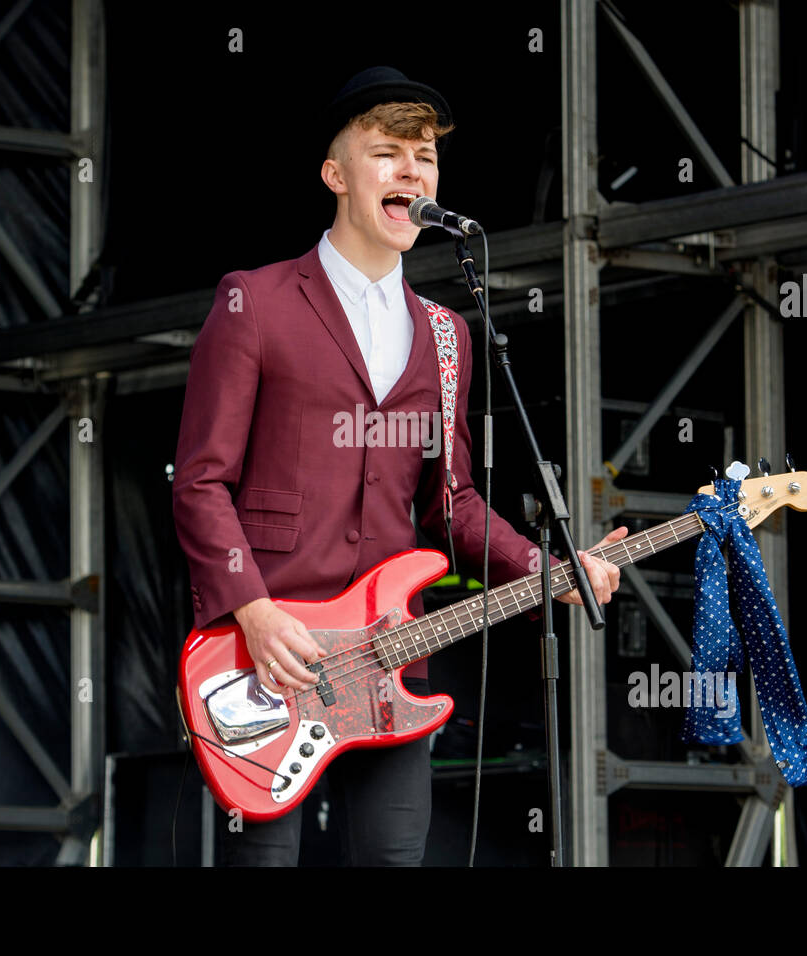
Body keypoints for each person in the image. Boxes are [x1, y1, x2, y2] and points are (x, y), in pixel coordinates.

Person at [172, 66, 625, 866]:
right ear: (335, 174)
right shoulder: (256, 303)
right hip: (264, 657)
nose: (413, 171)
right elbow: (200, 481)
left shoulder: (447, 336)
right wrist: (253, 609)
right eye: (387, 152)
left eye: (426, 156)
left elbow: (451, 504)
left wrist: (547, 565)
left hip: (388, 663)